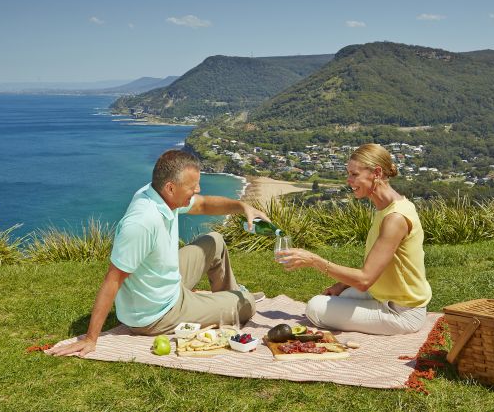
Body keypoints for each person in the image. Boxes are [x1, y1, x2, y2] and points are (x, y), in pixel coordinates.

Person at [51, 149, 268, 357]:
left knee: (215, 240)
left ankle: (227, 298)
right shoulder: (142, 222)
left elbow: (202, 205)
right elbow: (113, 280)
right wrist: (90, 338)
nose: (198, 189)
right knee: (247, 302)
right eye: (193, 186)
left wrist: (242, 206)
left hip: (167, 284)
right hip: (158, 313)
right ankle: (235, 302)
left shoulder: (160, 194)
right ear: (170, 188)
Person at [277, 143, 431, 335]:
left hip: (402, 313)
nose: (348, 180)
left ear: (376, 172)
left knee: (315, 307)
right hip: (383, 294)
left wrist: (314, 260)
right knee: (336, 296)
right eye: (348, 173)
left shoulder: (395, 218)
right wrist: (341, 285)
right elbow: (376, 269)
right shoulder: (387, 208)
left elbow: (365, 280)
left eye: (354, 174)